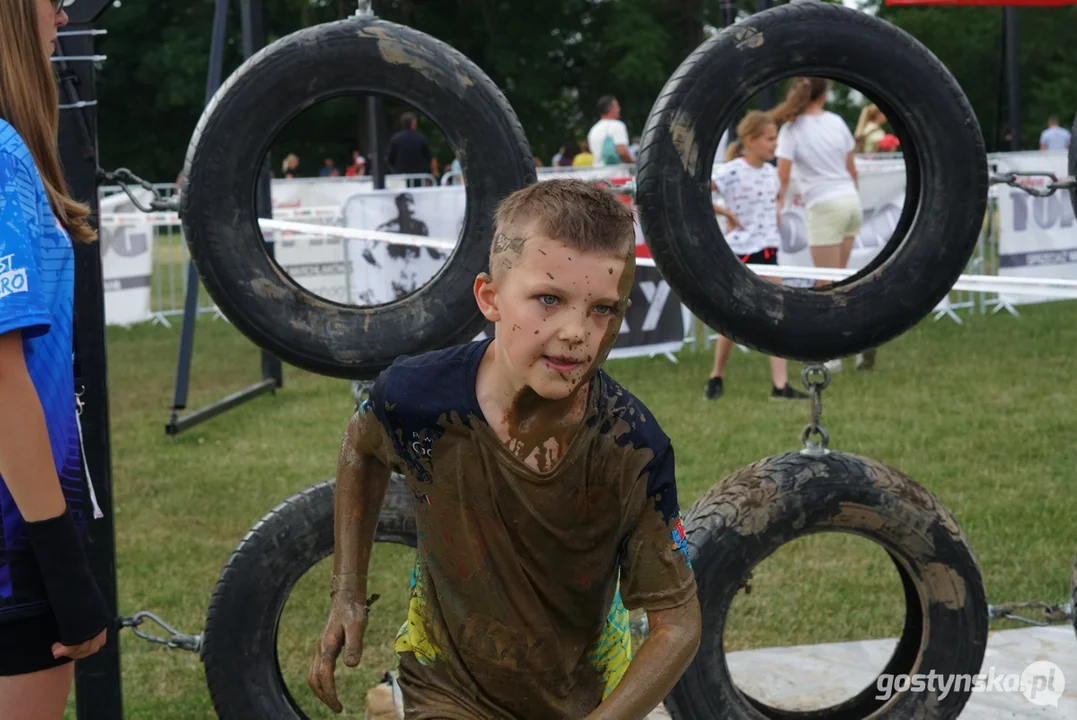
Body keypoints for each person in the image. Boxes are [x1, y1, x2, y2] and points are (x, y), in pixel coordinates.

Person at [307, 179, 701, 719]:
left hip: (582, 697)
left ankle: (384, 703)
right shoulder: (417, 396)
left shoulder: (632, 447)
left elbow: (678, 621)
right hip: (447, 687)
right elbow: (362, 444)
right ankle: (400, 699)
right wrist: (347, 592)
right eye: (548, 299)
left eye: (602, 310)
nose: (576, 332)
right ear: (490, 297)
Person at [0, 1, 112, 717]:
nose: (63, 15)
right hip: (14, 548)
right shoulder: (2, 156)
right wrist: (60, 563)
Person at [706, 111, 809, 402]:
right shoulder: (731, 171)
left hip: (769, 252)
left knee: (777, 316)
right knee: (732, 320)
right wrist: (725, 212)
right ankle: (716, 376)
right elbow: (696, 192)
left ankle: (780, 386)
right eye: (770, 139)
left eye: (775, 138)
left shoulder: (771, 173)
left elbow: (775, 196)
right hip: (741, 254)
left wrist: (776, 211)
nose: (775, 144)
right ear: (750, 141)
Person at [774, 78, 869, 372]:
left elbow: (783, 175)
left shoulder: (791, 129)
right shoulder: (837, 122)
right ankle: (859, 342)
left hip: (824, 205)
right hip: (850, 201)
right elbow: (851, 168)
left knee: (825, 284)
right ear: (824, 94)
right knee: (843, 281)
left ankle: (830, 353)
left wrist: (777, 203)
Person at [386, 112, 438, 187]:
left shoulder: (395, 139)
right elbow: (430, 157)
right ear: (413, 123)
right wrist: (434, 173)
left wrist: (395, 171)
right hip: (419, 179)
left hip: (400, 179)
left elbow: (389, 160)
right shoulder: (420, 138)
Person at [587, 96, 633, 167]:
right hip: (615, 174)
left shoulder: (593, 129)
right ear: (610, 108)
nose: (619, 109)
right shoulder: (617, 125)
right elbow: (622, 151)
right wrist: (633, 162)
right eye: (617, 106)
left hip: (597, 173)